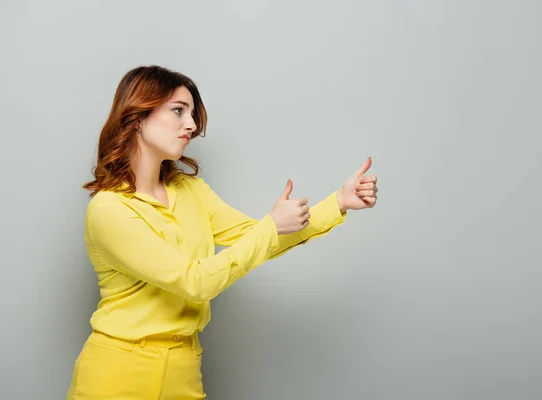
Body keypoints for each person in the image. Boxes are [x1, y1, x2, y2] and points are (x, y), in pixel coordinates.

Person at [66, 65, 378, 399]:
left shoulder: (190, 191)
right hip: (117, 377)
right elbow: (194, 281)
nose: (192, 125)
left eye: (192, 114)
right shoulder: (109, 209)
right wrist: (270, 229)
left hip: (184, 373)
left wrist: (338, 203)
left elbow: (259, 237)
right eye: (178, 111)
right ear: (138, 116)